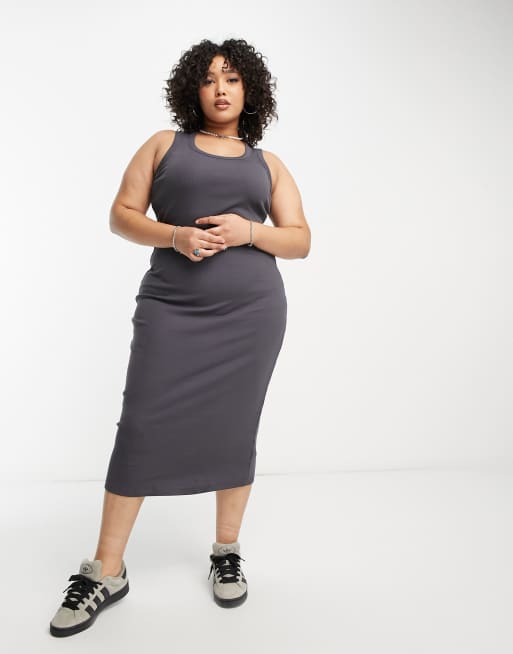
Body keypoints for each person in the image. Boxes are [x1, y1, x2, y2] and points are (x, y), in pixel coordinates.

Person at [49, 37, 311, 637]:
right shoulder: (163, 144)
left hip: (250, 313)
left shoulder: (268, 164)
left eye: (233, 79)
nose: (221, 89)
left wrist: (249, 232)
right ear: (193, 89)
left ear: (250, 91)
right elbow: (121, 215)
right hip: (172, 307)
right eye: (210, 78)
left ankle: (226, 551)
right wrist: (174, 236)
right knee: (141, 425)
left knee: (235, 426)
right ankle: (106, 569)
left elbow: (299, 239)